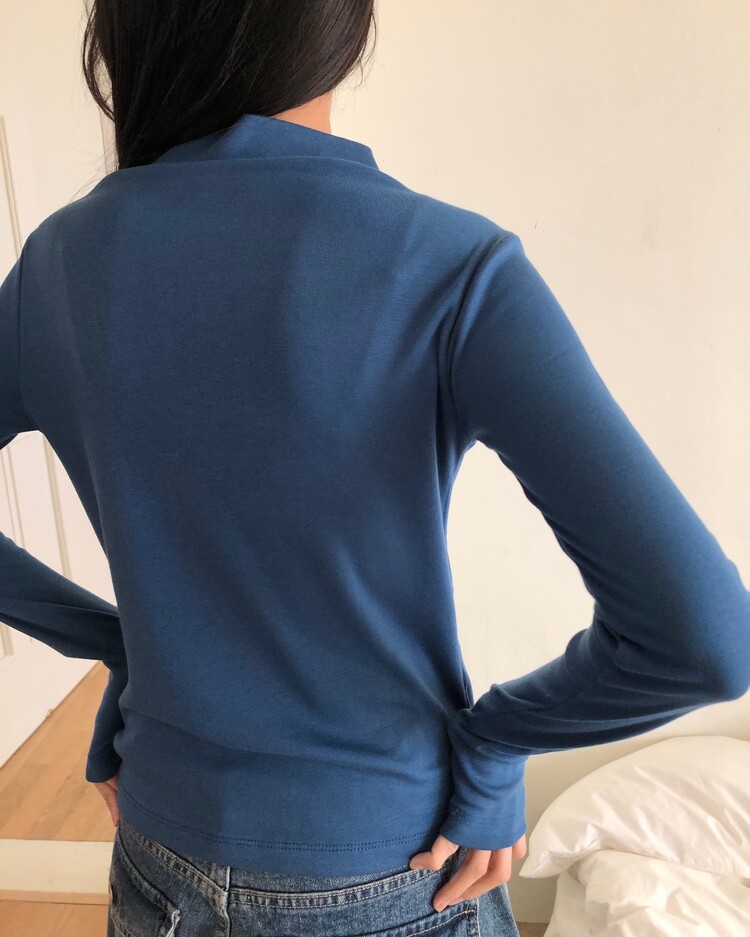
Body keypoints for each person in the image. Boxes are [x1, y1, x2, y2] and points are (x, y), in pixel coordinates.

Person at [1, 2, 748, 936]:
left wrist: (116, 643)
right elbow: (703, 636)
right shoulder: (448, 263)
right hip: (393, 868)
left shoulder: (60, 262)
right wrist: (497, 739)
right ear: (340, 32)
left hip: (161, 852)